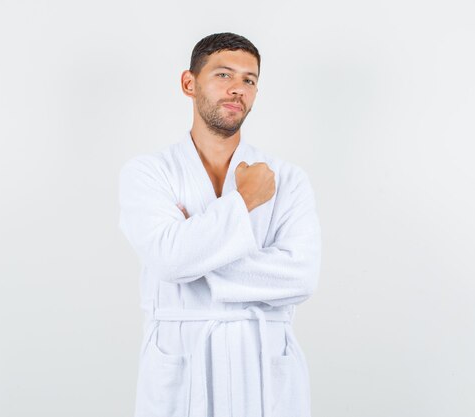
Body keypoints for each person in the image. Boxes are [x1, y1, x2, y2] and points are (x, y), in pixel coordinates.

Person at [118, 32, 322, 417]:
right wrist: (243, 202)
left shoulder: (288, 179)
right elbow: (166, 259)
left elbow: (301, 276)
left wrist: (193, 251)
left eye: (249, 80)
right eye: (224, 75)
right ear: (189, 84)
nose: (238, 89)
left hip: (261, 361)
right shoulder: (148, 173)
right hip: (182, 359)